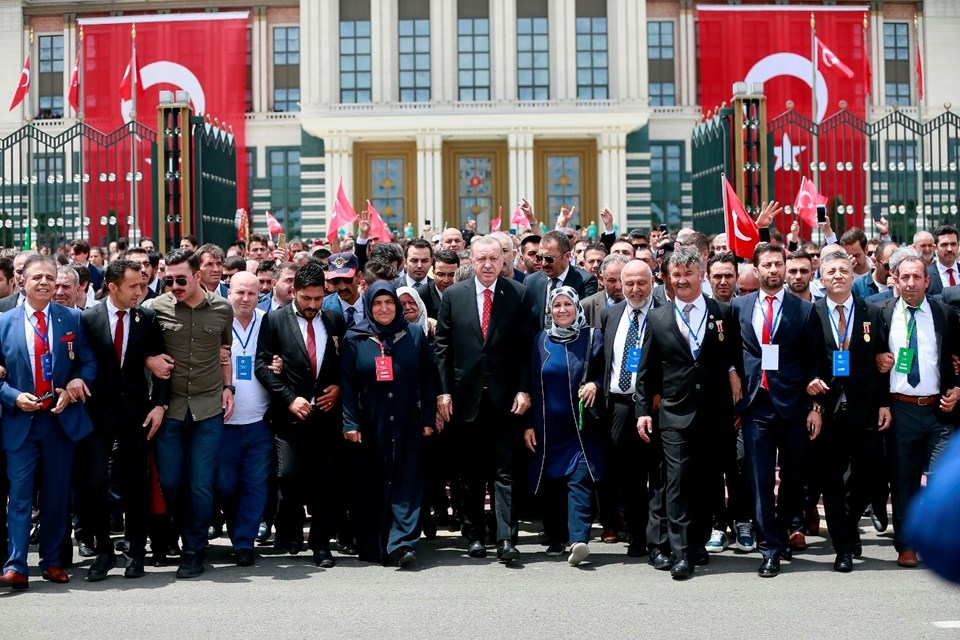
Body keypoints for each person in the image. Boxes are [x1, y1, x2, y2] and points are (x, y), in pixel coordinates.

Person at [635, 246, 743, 580]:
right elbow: (646, 370)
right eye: (676, 275)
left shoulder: (723, 313)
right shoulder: (658, 317)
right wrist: (643, 411)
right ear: (668, 278)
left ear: (701, 275)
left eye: (688, 274)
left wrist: (734, 377)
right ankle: (681, 553)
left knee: (708, 482)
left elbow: (734, 358)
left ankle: (697, 542)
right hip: (674, 414)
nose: (682, 280)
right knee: (678, 483)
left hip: (715, 412)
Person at [435, 235, 535, 563]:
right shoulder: (453, 296)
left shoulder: (518, 294)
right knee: (471, 474)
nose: (489, 264)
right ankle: (475, 535)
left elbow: (524, 348)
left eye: (494, 258)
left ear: (503, 261)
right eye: (482, 259)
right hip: (467, 400)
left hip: (505, 399)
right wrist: (445, 391)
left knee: (505, 472)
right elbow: (444, 348)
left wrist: (524, 388)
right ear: (471, 262)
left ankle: (506, 538)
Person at [0, 255, 96, 589]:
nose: (44, 282)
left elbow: (88, 363)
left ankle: (53, 561)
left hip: (59, 419)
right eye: (36, 277)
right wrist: (13, 397)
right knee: (21, 497)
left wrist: (75, 385)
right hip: (20, 422)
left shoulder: (71, 318)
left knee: (57, 497)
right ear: (21, 282)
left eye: (50, 277)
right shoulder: (3, 321)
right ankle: (16, 565)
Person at [732, 243, 824, 578]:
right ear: (756, 271)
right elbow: (731, 351)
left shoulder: (804, 311)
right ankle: (769, 547)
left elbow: (816, 361)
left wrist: (815, 405)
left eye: (778, 264)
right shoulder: (739, 307)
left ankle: (783, 531)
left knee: (793, 478)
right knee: (759, 480)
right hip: (757, 404)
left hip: (794, 405)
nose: (773, 270)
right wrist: (732, 376)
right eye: (766, 265)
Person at [76, 259, 168, 581]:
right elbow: (82, 362)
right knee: (96, 482)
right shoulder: (88, 318)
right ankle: (104, 552)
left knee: (136, 485)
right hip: (98, 415)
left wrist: (160, 405)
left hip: (137, 415)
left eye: (142, 285)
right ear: (113, 287)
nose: (140, 292)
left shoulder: (147, 317)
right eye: (133, 286)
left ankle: (136, 554)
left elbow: (162, 366)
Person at [151, 248, 235, 579]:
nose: (174, 285)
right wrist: (148, 361)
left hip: (208, 408)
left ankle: (193, 549)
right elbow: (142, 350)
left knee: (201, 484)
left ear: (198, 275)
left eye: (180, 279)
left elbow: (224, 351)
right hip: (170, 409)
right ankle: (181, 532)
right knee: (171, 482)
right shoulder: (154, 309)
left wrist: (229, 389)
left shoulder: (222, 309)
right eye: (168, 279)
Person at [873, 248, 960, 569]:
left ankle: (940, 538)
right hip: (900, 410)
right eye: (904, 277)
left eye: (916, 277)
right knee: (904, 481)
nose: (910, 283)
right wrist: (876, 360)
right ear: (894, 279)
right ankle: (907, 544)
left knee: (943, 479)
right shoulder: (879, 313)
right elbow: (869, 361)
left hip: (938, 410)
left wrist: (958, 389)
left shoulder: (945, 314)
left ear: (927, 280)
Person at [340, 282, 437, 568]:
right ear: (369, 307)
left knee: (408, 481)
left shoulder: (413, 334)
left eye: (389, 303)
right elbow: (346, 384)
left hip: (408, 421)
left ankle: (403, 543)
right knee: (375, 483)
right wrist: (350, 422)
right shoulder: (355, 339)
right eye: (377, 304)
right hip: (371, 423)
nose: (384, 309)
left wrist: (429, 419)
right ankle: (377, 543)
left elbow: (430, 379)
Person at [255, 262, 345, 568]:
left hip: (325, 415)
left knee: (325, 480)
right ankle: (289, 530)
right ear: (294, 292)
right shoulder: (275, 320)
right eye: (306, 298)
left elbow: (345, 362)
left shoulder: (334, 319)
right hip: (290, 416)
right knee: (289, 476)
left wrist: (338, 387)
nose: (312, 305)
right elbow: (262, 366)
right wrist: (290, 399)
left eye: (318, 298)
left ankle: (320, 543)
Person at [808, 251, 891, 573]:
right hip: (827, 408)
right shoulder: (812, 313)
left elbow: (881, 360)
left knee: (871, 473)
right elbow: (809, 360)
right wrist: (813, 404)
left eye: (844, 270)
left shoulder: (871, 311)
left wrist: (884, 402)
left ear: (853, 274)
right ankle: (843, 546)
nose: (838, 275)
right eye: (832, 271)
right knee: (830, 478)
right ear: (823, 278)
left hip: (865, 405)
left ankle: (849, 517)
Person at [525, 287, 604, 566]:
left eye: (567, 304)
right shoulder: (540, 341)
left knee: (579, 479)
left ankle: (579, 539)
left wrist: (596, 383)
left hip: (581, 429)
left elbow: (605, 372)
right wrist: (528, 425)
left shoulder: (593, 338)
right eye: (556, 305)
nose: (562, 310)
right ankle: (557, 537)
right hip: (548, 428)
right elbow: (531, 385)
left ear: (576, 307)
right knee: (553, 485)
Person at [217, 271, 275, 568]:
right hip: (223, 422)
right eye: (240, 292)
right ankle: (234, 525)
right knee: (225, 485)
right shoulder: (216, 321)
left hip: (259, 421)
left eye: (251, 293)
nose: (245, 298)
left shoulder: (269, 321)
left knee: (255, 484)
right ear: (229, 291)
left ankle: (244, 542)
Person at [525, 230, 599, 330]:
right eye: (539, 257)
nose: (543, 263)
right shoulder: (531, 282)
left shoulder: (585, 281)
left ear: (567, 256)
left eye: (549, 259)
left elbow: (583, 320)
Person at [582, 254, 629, 328]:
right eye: (612, 281)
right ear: (601, 279)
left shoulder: (640, 304)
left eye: (623, 280)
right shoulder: (586, 306)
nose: (618, 286)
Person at [925, 224, 959, 296]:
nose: (949, 249)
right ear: (935, 248)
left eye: (953, 244)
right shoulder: (926, 275)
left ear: (958, 246)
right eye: (944, 244)